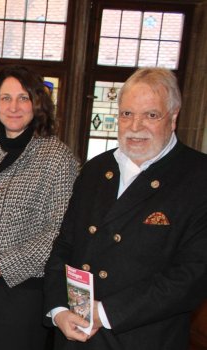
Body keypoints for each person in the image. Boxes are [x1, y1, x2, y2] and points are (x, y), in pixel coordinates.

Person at [43, 67, 207, 349]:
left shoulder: (198, 177)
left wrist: (105, 312)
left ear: (174, 117)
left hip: (142, 338)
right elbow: (64, 245)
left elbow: (192, 275)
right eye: (127, 114)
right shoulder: (96, 169)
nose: (135, 126)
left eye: (151, 115)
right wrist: (58, 309)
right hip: (76, 334)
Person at [0, 65, 78, 349]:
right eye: (6, 98)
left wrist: (3, 265)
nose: (14, 106)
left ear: (38, 103)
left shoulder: (57, 157)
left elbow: (58, 232)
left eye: (23, 98)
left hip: (21, 294)